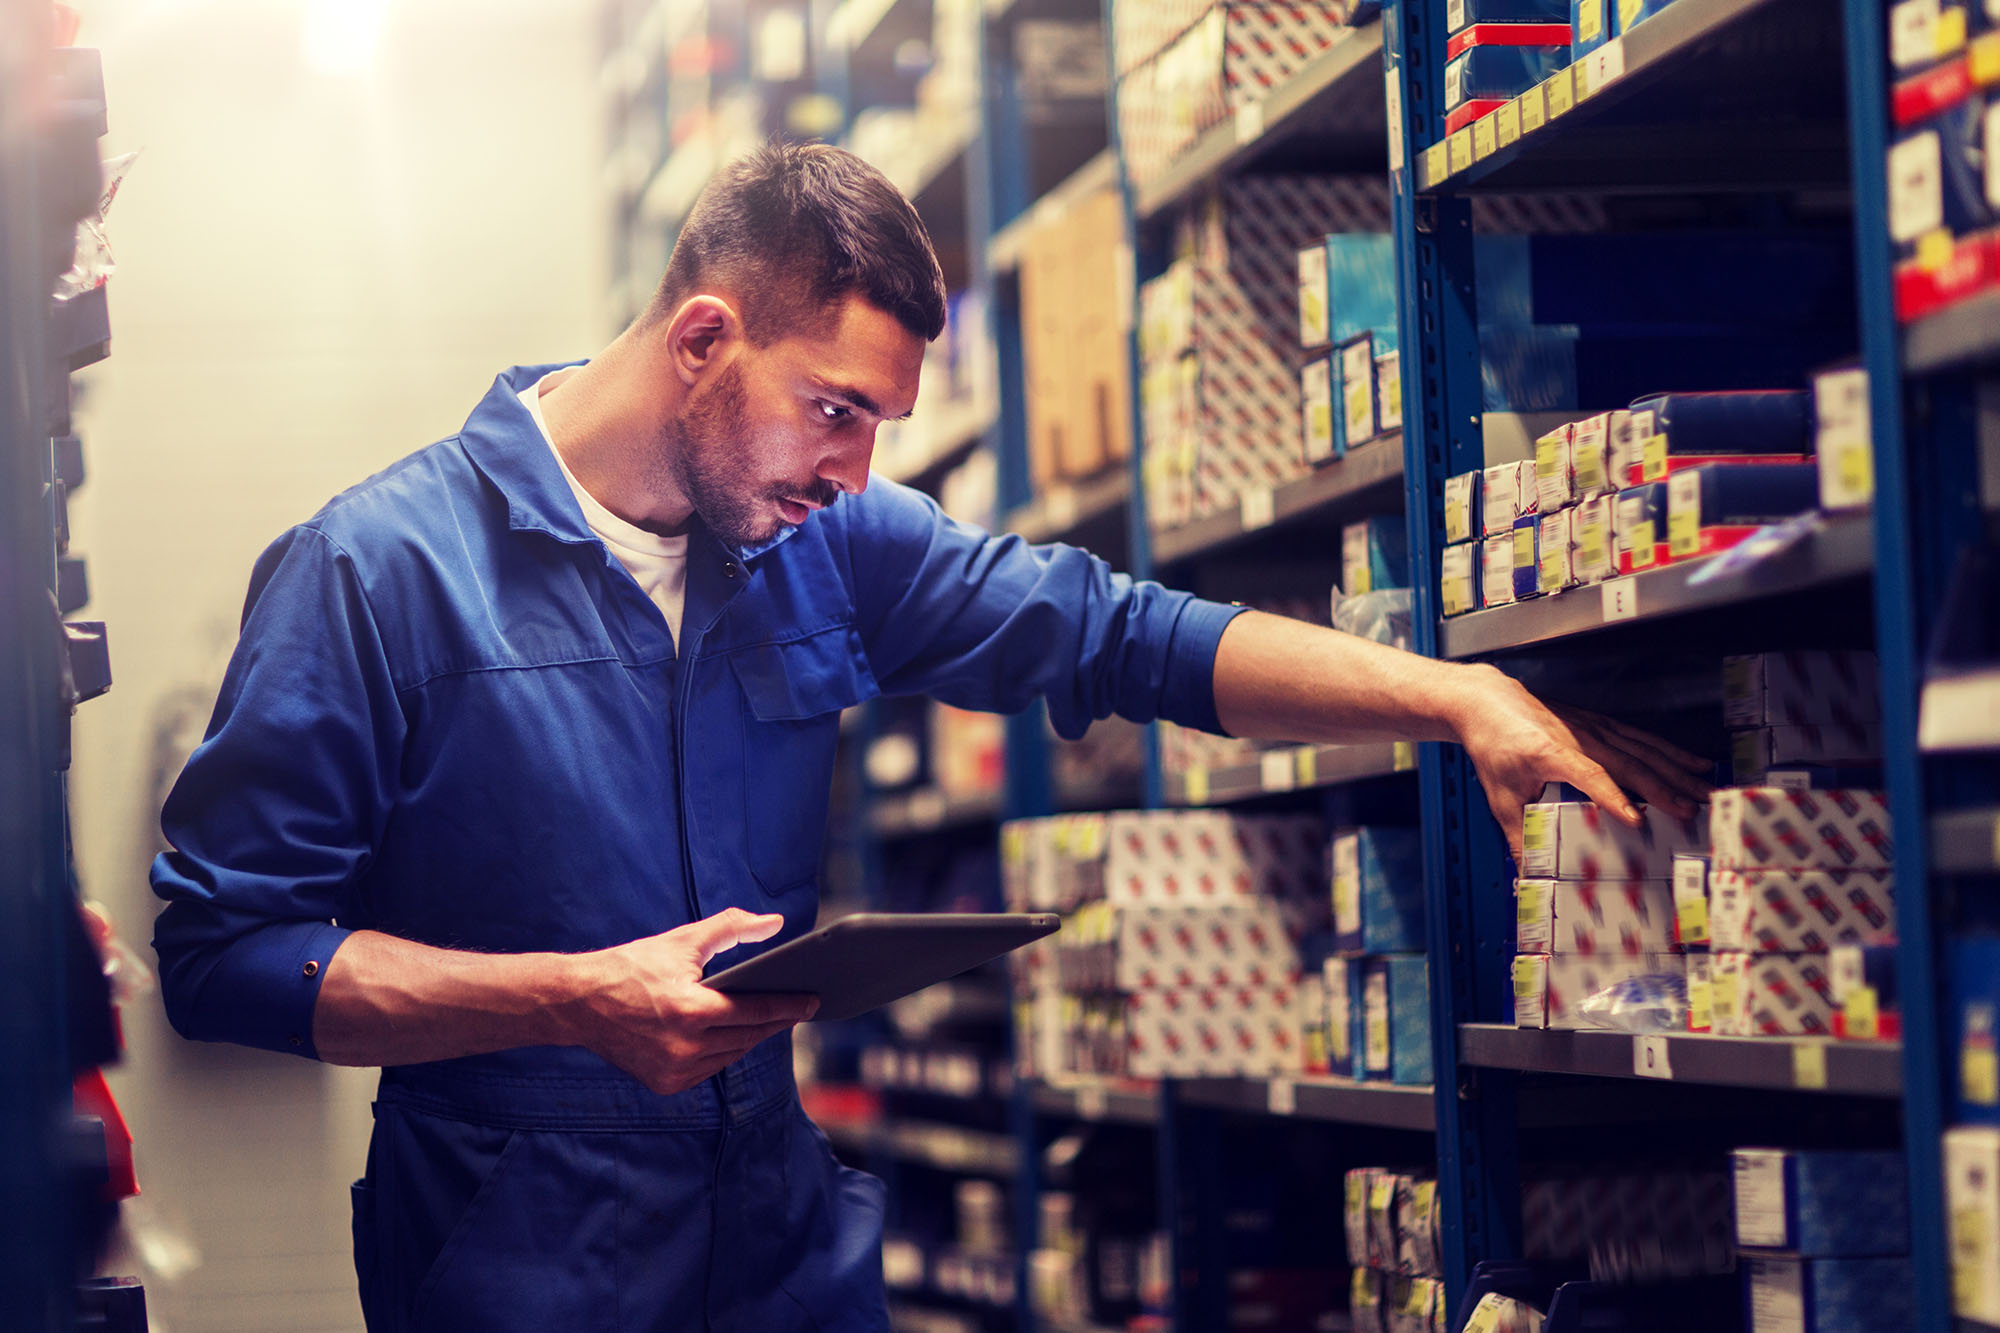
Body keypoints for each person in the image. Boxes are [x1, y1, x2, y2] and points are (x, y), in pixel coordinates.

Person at [150, 142, 1710, 1332]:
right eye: (836, 408)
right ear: (703, 338)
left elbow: (1116, 633)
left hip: (776, 1240)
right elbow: (225, 952)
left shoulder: (821, 535)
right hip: (517, 1257)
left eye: (881, 424)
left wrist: (1459, 697)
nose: (857, 464)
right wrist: (571, 1002)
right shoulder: (377, 571)